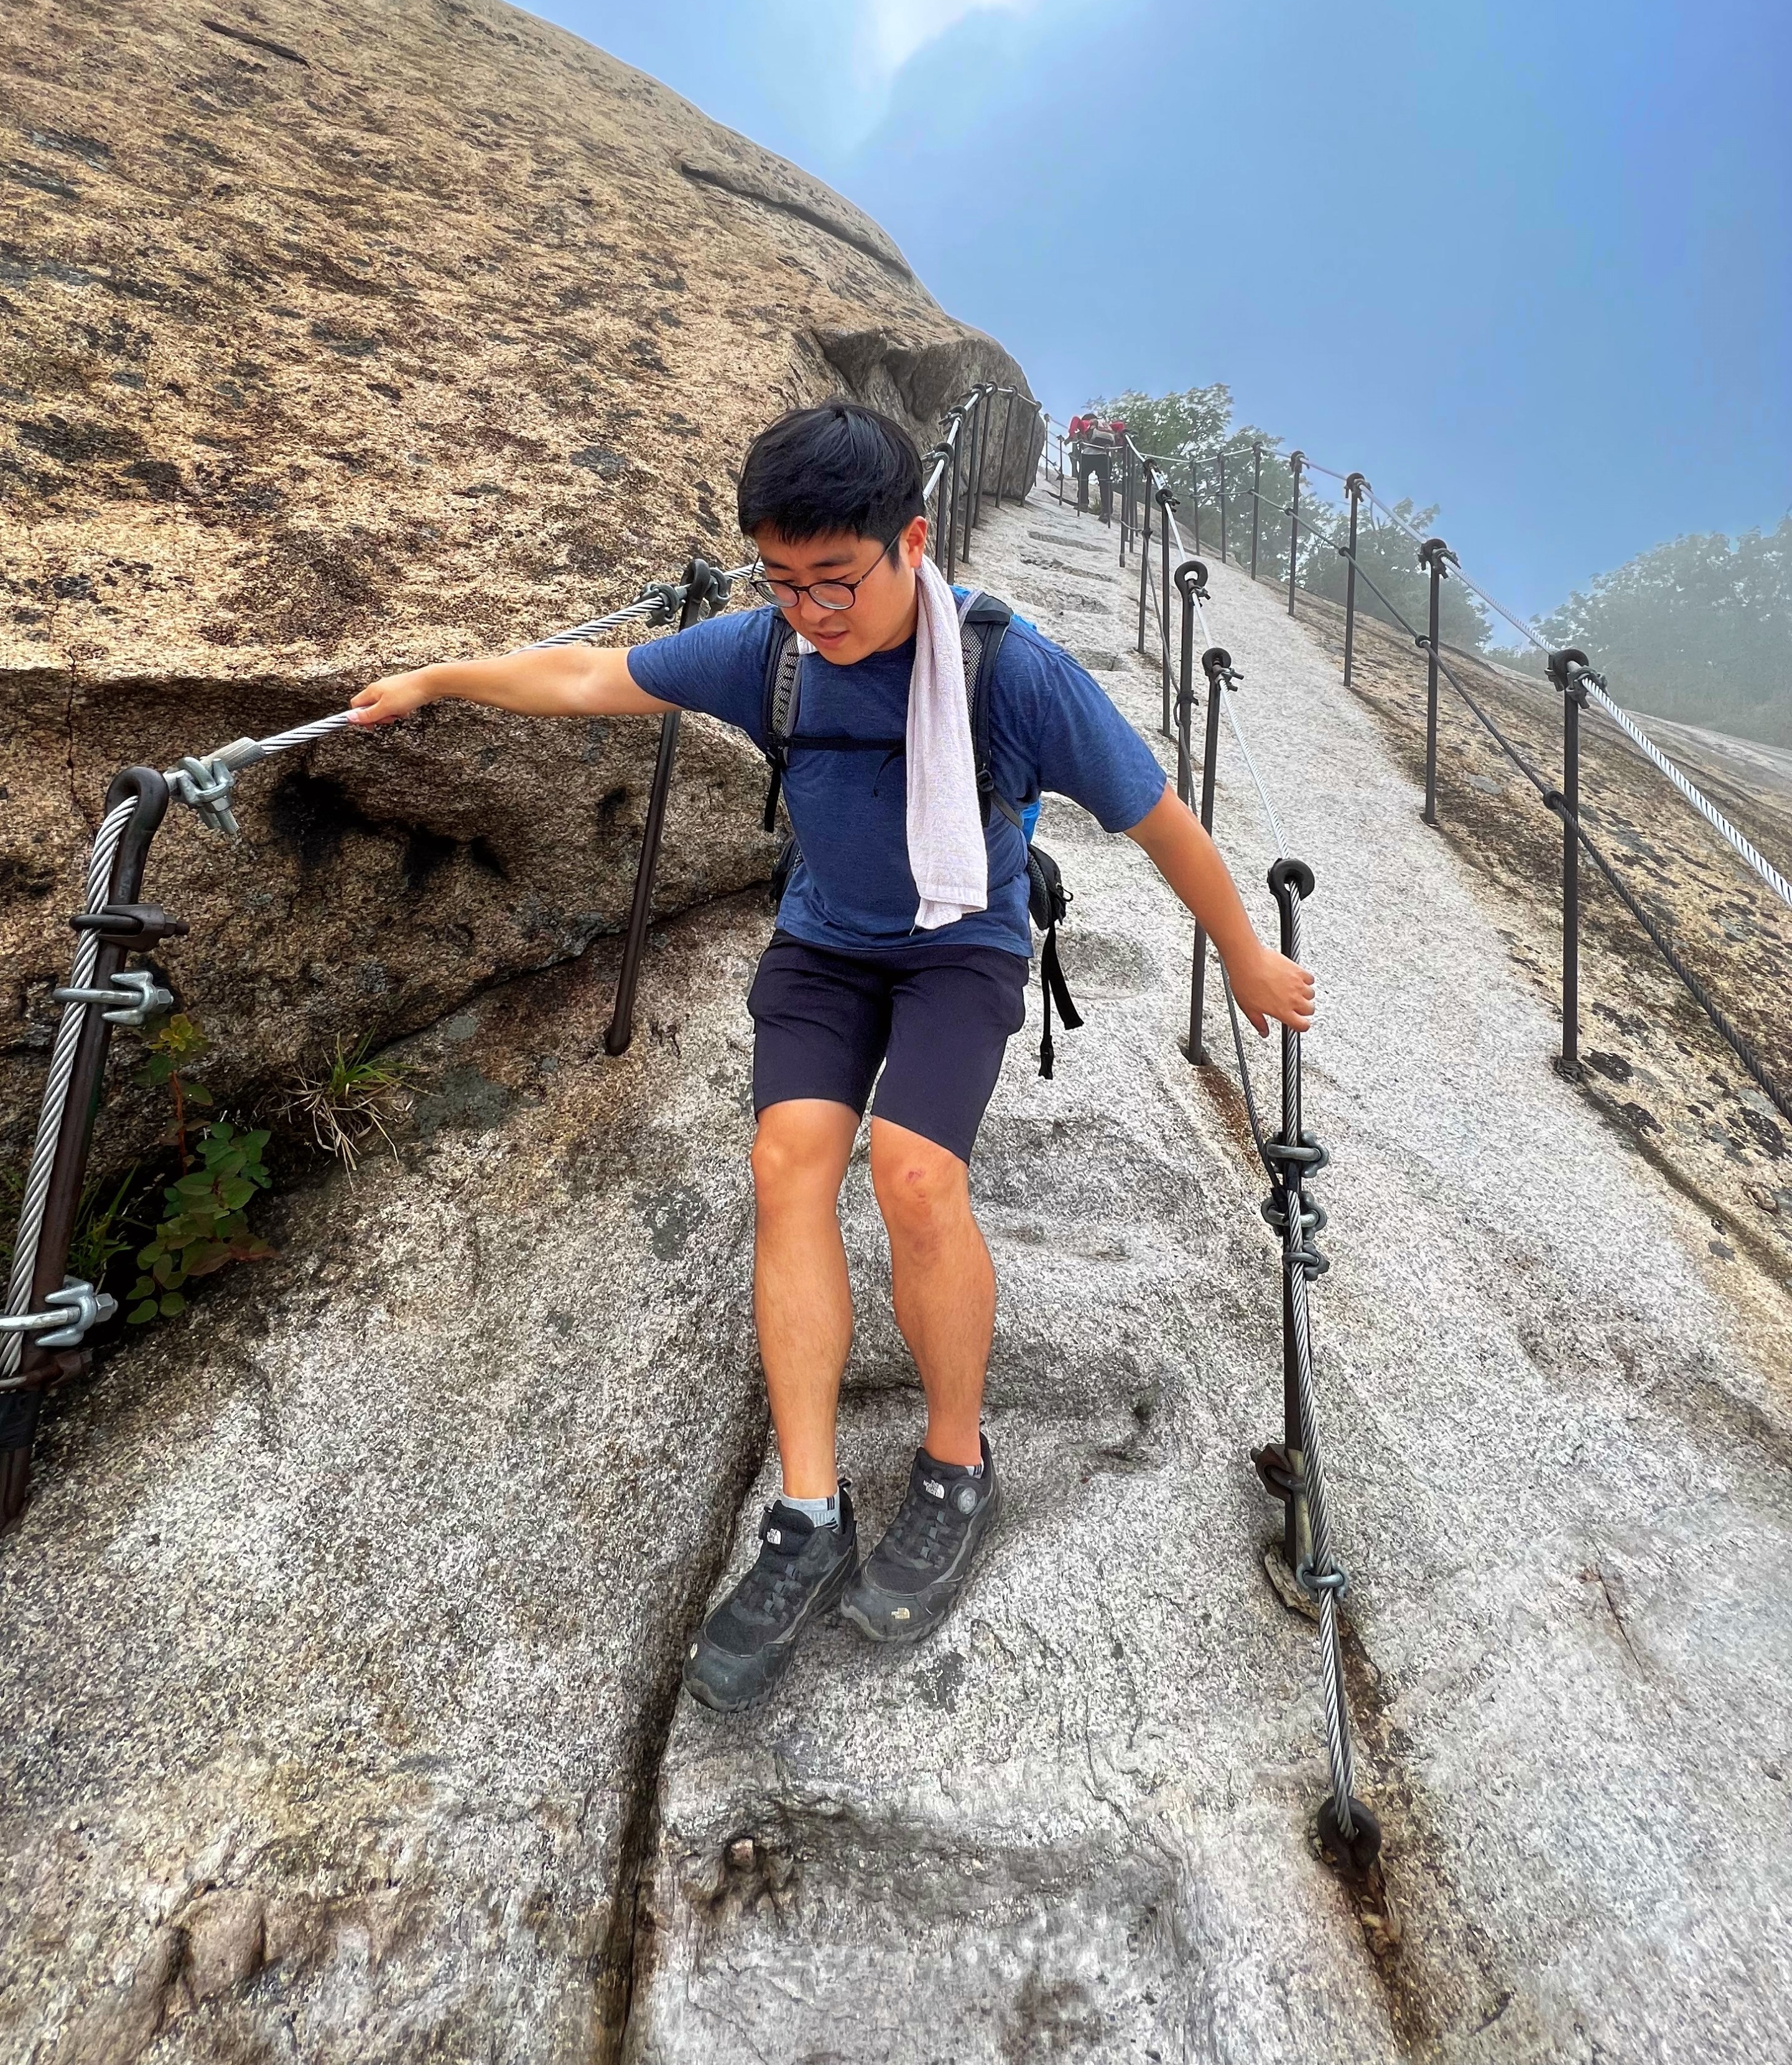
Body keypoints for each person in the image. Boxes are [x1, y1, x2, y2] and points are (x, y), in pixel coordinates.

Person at [351, 402, 1312, 1712]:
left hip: (958, 942)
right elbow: (597, 680)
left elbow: (1158, 817)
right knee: (787, 1161)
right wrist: (438, 679)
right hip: (825, 939)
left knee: (916, 1176)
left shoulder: (1009, 670)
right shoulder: (770, 653)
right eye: (784, 581)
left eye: (836, 581)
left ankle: (957, 1465)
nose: (809, 610)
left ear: (912, 541)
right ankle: (808, 1513)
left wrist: (1247, 954)